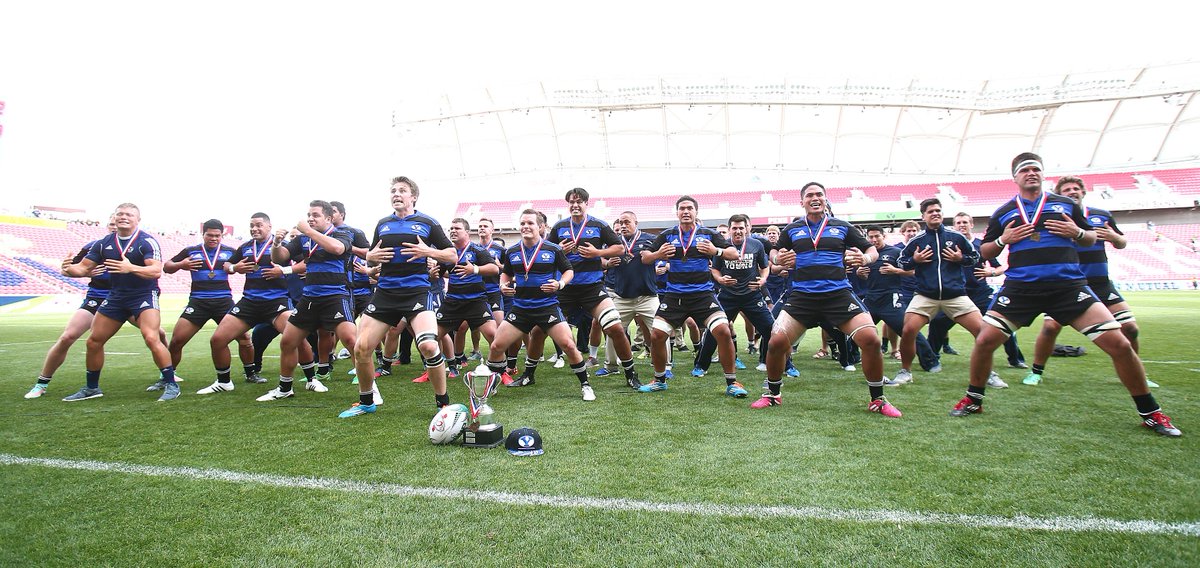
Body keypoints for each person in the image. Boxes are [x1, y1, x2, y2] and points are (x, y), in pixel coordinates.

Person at [948, 152, 1180, 437]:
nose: (1031, 173)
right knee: (984, 341)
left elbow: (1092, 236)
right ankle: (974, 400)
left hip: (1068, 286)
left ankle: (1151, 412)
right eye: (1024, 170)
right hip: (1021, 288)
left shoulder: (1066, 204)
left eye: (1036, 169)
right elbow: (983, 251)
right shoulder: (1004, 211)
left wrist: (1077, 232)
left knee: (1120, 343)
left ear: (1043, 174)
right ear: (1015, 177)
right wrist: (1002, 240)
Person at [753, 183, 901, 418]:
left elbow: (871, 249)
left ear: (825, 199)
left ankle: (878, 399)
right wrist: (778, 257)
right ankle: (772, 394)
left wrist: (865, 258)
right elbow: (774, 254)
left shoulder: (841, 226)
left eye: (819, 195)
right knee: (776, 342)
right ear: (801, 201)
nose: (815, 198)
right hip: (802, 296)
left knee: (871, 340)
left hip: (838, 294)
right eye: (809, 195)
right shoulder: (792, 229)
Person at [1021, 176, 1157, 387]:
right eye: (1066, 189)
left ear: (1083, 192)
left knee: (1130, 328)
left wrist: (1114, 237)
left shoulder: (1101, 216)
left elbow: (1121, 243)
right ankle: (1036, 372)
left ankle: (1137, 374)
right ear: (1059, 195)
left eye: (1076, 188)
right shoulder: (1050, 216)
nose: (1072, 191)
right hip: (1068, 285)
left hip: (1100, 283)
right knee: (1050, 328)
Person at [342, 177, 458, 417]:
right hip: (385, 292)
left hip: (416, 291)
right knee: (361, 347)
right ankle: (366, 401)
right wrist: (372, 257)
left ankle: (443, 403)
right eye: (393, 191)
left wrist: (428, 251)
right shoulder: (383, 224)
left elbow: (452, 255)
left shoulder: (427, 222)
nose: (396, 194)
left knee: (427, 344)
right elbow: (372, 257)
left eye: (402, 190)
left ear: (413, 197)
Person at [516, 188, 641, 389]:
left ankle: (631, 374)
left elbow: (620, 248)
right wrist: (560, 250)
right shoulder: (560, 226)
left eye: (579, 201)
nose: (575, 205)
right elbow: (543, 251)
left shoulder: (598, 225)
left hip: (592, 288)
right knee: (539, 331)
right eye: (572, 202)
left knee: (615, 328)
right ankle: (528, 374)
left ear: (586, 203)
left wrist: (597, 252)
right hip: (564, 289)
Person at [60, 203, 178, 402]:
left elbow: (156, 271)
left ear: (137, 219)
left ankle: (171, 383)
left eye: (129, 214)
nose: (124, 217)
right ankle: (91, 388)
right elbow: (81, 269)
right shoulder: (103, 243)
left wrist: (130, 268)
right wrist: (68, 269)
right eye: (120, 214)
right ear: (114, 217)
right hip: (116, 297)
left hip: (143, 295)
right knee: (93, 341)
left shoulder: (147, 241)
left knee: (151, 337)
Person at [485, 209, 595, 401]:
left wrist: (560, 284)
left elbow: (568, 271)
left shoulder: (553, 249)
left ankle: (585, 385)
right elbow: (506, 274)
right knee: (496, 346)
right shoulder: (512, 251)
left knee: (569, 345)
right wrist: (503, 285)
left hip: (547, 306)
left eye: (530, 223)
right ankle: (491, 385)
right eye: (523, 223)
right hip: (521, 307)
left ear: (540, 227)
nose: (525, 227)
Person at [638, 196, 743, 395]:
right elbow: (645, 258)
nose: (686, 212)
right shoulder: (667, 235)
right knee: (657, 335)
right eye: (682, 209)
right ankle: (659, 379)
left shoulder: (708, 234)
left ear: (696, 212)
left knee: (723, 330)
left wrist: (715, 251)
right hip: (674, 295)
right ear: (676, 212)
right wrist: (658, 255)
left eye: (689, 208)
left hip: (703, 295)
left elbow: (734, 253)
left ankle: (732, 383)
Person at [202, 212, 316, 394]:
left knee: (297, 338)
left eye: (259, 225)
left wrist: (284, 271)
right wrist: (234, 267)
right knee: (217, 340)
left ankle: (312, 379)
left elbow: (307, 263)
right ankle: (224, 382)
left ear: (269, 227)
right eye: (252, 225)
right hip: (249, 301)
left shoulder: (283, 246)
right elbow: (226, 266)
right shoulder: (245, 247)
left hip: (276, 302)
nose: (254, 228)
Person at [258, 200, 356, 402]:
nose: (310, 218)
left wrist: (308, 231)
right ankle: (285, 388)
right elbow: (279, 257)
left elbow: (337, 249)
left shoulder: (341, 233)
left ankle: (370, 390)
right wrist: (276, 243)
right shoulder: (302, 239)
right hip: (310, 297)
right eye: (309, 215)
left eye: (316, 215)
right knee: (287, 341)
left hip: (335, 295)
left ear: (329, 218)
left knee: (351, 341)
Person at [894, 198, 998, 386]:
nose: (935, 213)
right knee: (908, 330)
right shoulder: (917, 240)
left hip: (956, 295)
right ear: (923, 216)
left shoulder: (956, 237)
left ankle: (989, 373)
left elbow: (974, 257)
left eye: (938, 210)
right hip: (925, 295)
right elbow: (901, 262)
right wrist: (915, 260)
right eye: (931, 211)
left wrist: (960, 258)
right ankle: (905, 371)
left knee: (982, 332)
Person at [26, 217, 123, 398]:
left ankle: (166, 376)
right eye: (112, 223)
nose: (115, 226)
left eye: (118, 223)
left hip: (124, 299)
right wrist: (82, 271)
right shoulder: (94, 246)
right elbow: (68, 270)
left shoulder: (137, 246)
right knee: (67, 337)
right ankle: (41, 383)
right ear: (107, 226)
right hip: (97, 297)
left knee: (156, 334)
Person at [157, 219, 254, 391]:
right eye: (210, 235)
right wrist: (182, 264)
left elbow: (244, 265)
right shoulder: (191, 251)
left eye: (217, 236)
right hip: (198, 301)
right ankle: (167, 377)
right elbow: (167, 267)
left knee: (245, 338)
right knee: (177, 340)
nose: (214, 238)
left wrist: (236, 266)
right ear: (203, 234)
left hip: (223, 301)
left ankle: (251, 373)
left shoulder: (230, 252)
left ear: (222, 236)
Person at [693, 214, 787, 389]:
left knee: (771, 330)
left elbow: (765, 267)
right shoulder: (723, 246)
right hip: (727, 296)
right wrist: (720, 280)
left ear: (747, 228)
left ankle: (788, 365)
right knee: (714, 331)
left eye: (741, 228)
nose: (738, 231)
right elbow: (714, 269)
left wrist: (763, 280)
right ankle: (700, 366)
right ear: (729, 230)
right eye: (734, 228)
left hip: (752, 296)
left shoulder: (756, 245)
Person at [926, 212, 1026, 371]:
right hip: (956, 294)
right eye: (958, 222)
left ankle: (1015, 359)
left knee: (1002, 323)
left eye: (965, 222)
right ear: (954, 225)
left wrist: (991, 272)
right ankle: (932, 358)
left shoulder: (981, 245)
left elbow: (1001, 267)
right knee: (938, 322)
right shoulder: (947, 244)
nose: (962, 225)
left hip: (981, 293)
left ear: (971, 224)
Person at [854, 225, 939, 381]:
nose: (874, 240)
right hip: (872, 298)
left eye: (877, 236)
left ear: (883, 236)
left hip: (891, 298)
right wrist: (860, 273)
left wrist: (896, 270)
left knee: (908, 331)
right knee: (856, 328)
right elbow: (867, 278)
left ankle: (930, 361)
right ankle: (851, 359)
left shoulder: (895, 252)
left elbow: (914, 271)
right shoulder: (867, 255)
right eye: (870, 237)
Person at [433, 218, 500, 374]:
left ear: (467, 232)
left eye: (457, 228)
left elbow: (494, 269)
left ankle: (500, 371)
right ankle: (434, 369)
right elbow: (439, 274)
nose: (453, 231)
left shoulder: (478, 250)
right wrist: (433, 274)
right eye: (451, 228)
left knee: (494, 336)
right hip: (453, 301)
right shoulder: (447, 254)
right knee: (432, 337)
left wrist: (474, 269)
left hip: (476, 300)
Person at [596, 211, 658, 378]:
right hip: (621, 296)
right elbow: (600, 259)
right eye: (621, 223)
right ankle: (611, 366)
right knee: (612, 330)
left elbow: (662, 257)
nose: (623, 225)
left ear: (636, 222)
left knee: (659, 332)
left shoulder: (649, 239)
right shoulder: (614, 242)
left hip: (647, 296)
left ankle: (664, 366)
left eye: (627, 222)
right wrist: (607, 263)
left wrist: (655, 257)